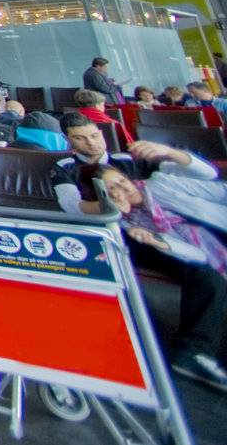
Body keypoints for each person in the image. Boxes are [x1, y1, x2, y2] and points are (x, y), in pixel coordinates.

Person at [81, 164, 227, 393]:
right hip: (186, 250)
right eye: (112, 188)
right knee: (207, 277)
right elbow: (76, 208)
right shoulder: (123, 221)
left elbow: (213, 182)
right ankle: (191, 352)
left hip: (216, 235)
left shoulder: (159, 185)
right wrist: (113, 210)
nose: (122, 189)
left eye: (121, 181)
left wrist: (173, 155)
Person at [51, 113, 218, 216]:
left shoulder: (129, 160)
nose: (91, 143)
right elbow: (70, 204)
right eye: (80, 138)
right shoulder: (65, 167)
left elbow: (207, 174)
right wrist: (108, 207)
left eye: (94, 136)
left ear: (101, 133)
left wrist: (170, 152)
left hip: (164, 219)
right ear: (67, 140)